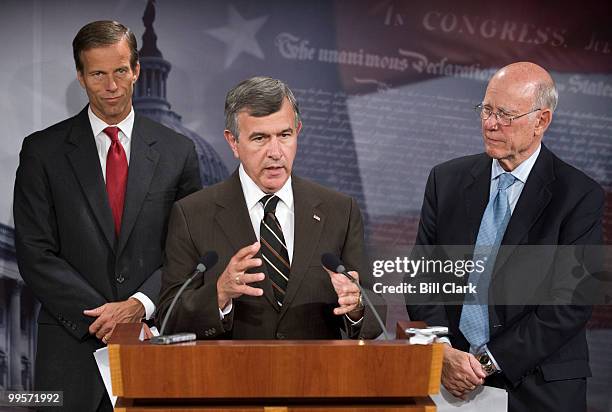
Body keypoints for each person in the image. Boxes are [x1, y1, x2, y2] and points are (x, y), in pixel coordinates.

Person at [13, 20, 201, 411]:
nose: (111, 86)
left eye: (120, 71)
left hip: (154, 347)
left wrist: (138, 304)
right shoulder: (41, 152)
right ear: (80, 77)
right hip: (69, 354)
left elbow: (190, 249)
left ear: (136, 70)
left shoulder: (178, 152)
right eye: (98, 74)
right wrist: (107, 319)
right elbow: (35, 252)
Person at [407, 62, 603, 412]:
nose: (489, 123)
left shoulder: (578, 195)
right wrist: (444, 352)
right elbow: (423, 277)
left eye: (505, 114)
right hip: (450, 380)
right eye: (486, 109)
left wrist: (486, 363)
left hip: (540, 388)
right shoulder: (446, 180)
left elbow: (570, 303)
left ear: (541, 121)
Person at [157, 76, 384, 340]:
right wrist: (219, 294)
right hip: (229, 378)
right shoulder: (192, 215)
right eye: (260, 138)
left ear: (297, 132)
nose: (275, 152)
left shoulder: (339, 211)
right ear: (233, 142)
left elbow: (374, 315)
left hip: (317, 377)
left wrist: (356, 306)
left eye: (284, 135)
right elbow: (168, 317)